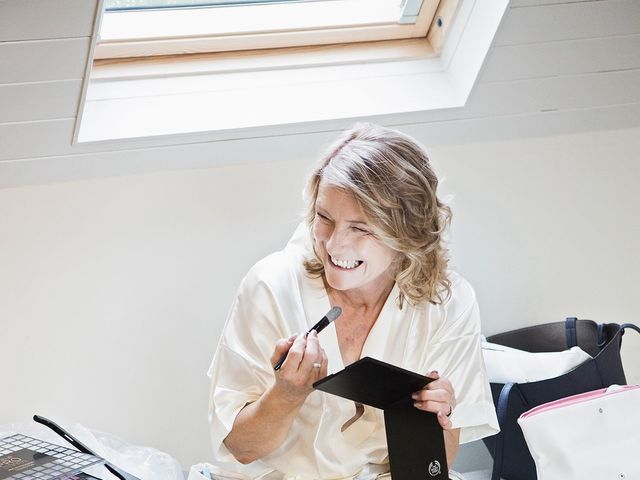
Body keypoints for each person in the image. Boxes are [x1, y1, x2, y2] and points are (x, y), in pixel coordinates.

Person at [207, 123, 499, 480]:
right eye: (325, 219)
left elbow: (430, 471)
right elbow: (241, 448)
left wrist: (437, 418)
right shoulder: (272, 286)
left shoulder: (448, 302)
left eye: (360, 228)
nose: (334, 245)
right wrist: (285, 394)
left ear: (405, 233)